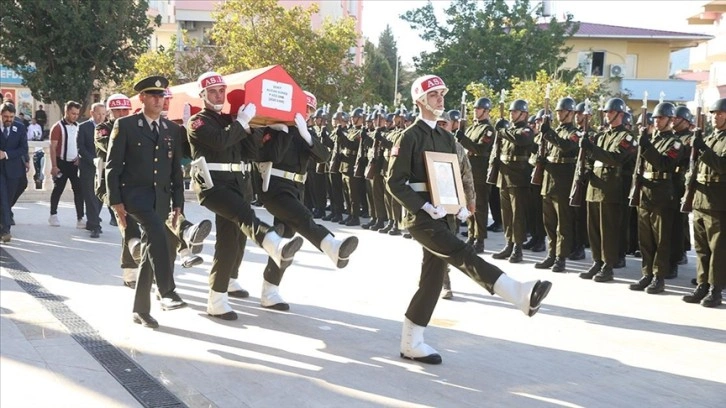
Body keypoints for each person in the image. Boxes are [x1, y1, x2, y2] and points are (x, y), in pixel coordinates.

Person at [387, 75, 552, 365]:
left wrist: (461, 205)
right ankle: (517, 292)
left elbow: (455, 174)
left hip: (444, 215)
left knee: (432, 281)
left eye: (441, 93)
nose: (441, 99)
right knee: (462, 254)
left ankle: (411, 342)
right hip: (421, 217)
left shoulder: (446, 137)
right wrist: (423, 205)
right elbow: (394, 182)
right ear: (420, 100)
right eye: (435, 94)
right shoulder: (409, 136)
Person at [186, 71, 304, 320]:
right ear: (203, 95)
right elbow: (219, 142)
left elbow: (251, 153)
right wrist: (240, 123)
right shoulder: (198, 122)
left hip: (237, 185)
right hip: (214, 187)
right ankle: (275, 244)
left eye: (221, 90)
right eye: (213, 91)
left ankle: (216, 299)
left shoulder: (231, 120)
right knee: (245, 215)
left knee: (230, 243)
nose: (218, 95)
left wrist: (256, 127)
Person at [253, 90, 359, 311]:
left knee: (284, 240)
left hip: (295, 188)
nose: (307, 114)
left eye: (310, 110)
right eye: (304, 109)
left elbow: (324, 156)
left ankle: (269, 291)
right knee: (303, 218)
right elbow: (271, 155)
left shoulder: (304, 132)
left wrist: (306, 136)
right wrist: (285, 131)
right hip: (274, 187)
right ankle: (332, 246)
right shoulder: (276, 128)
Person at [106, 76, 188, 329]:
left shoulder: (172, 130)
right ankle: (167, 291)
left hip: (161, 198)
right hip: (135, 197)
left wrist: (178, 205)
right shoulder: (126, 125)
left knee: (151, 249)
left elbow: (176, 172)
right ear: (141, 98)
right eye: (153, 95)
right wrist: (115, 202)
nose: (158, 100)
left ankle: (140, 310)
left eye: (161, 96)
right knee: (156, 234)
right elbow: (112, 167)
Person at [578, 98, 637, 282]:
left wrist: (591, 148)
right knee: (593, 228)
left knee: (608, 230)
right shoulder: (602, 136)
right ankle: (597, 261)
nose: (606, 115)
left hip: (611, 188)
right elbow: (592, 159)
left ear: (620, 114)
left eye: (609, 112)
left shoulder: (627, 137)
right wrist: (585, 169)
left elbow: (615, 158)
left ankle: (608, 265)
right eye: (605, 112)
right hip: (594, 187)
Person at [628, 102, 683, 294]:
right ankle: (647, 274)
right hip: (645, 192)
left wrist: (646, 146)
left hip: (662, 193)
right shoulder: (651, 139)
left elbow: (664, 164)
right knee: (645, 239)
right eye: (656, 118)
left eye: (661, 118)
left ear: (670, 120)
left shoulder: (675, 142)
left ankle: (659, 277)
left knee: (661, 239)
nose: (657, 121)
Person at [682, 97, 726, 307]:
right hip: (700, 198)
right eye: (714, 114)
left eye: (720, 113)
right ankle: (702, 284)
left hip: (719, 201)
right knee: (700, 248)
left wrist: (703, 148)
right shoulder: (709, 138)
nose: (716, 117)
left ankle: (716, 289)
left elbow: (721, 165)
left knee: (718, 249)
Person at [535, 97, 579, 272]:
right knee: (549, 222)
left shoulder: (575, 133)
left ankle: (561, 257)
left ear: (571, 113)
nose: (559, 114)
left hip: (563, 181)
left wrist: (548, 134)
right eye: (558, 111)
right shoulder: (554, 131)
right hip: (549, 179)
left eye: (562, 111)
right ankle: (551, 254)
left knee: (563, 223)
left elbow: (566, 147)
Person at [437, 110, 476, 300]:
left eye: (444, 124)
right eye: (438, 124)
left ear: (451, 125)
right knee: (428, 245)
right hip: (430, 203)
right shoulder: (426, 144)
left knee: (447, 244)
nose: (441, 127)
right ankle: (430, 280)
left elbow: (467, 175)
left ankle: (445, 283)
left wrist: (470, 200)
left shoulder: (457, 147)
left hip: (452, 202)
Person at [490, 99, 534, 263]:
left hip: (519, 177)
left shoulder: (526, 130)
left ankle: (518, 248)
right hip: (505, 176)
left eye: (514, 112)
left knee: (518, 215)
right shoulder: (508, 130)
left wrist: (501, 131)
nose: (511, 114)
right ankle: (509, 244)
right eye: (510, 112)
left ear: (523, 114)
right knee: (506, 214)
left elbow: (521, 140)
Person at [455, 98, 496, 254]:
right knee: (468, 204)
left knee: (479, 206)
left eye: (478, 109)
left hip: (480, 171)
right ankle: (471, 236)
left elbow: (480, 149)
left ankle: (480, 239)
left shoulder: (488, 130)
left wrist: (463, 138)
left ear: (485, 111)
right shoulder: (473, 128)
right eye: (474, 108)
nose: (475, 111)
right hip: (468, 170)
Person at [48, 101, 85, 228]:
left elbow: (81, 145)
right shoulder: (57, 127)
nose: (75, 116)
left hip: (74, 164)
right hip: (61, 163)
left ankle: (80, 218)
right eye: (73, 113)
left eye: (77, 114)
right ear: (66, 112)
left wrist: (80, 158)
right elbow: (52, 147)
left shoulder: (78, 126)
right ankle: (53, 215)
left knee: (79, 191)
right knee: (58, 189)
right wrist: (54, 166)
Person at [0, 102, 28, 242]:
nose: (9, 120)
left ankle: (3, 224)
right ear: (1, 115)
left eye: (11, 117)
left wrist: (6, 154)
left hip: (14, 170)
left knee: (8, 200)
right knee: (3, 198)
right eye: (6, 117)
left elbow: (23, 149)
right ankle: (6, 230)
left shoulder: (20, 128)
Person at [78, 102, 106, 238]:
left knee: (100, 197)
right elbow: (81, 148)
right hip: (88, 168)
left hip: (104, 168)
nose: (101, 117)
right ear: (92, 113)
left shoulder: (108, 128)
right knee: (90, 197)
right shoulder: (83, 127)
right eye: (98, 113)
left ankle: (92, 220)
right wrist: (93, 160)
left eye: (103, 114)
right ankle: (95, 226)